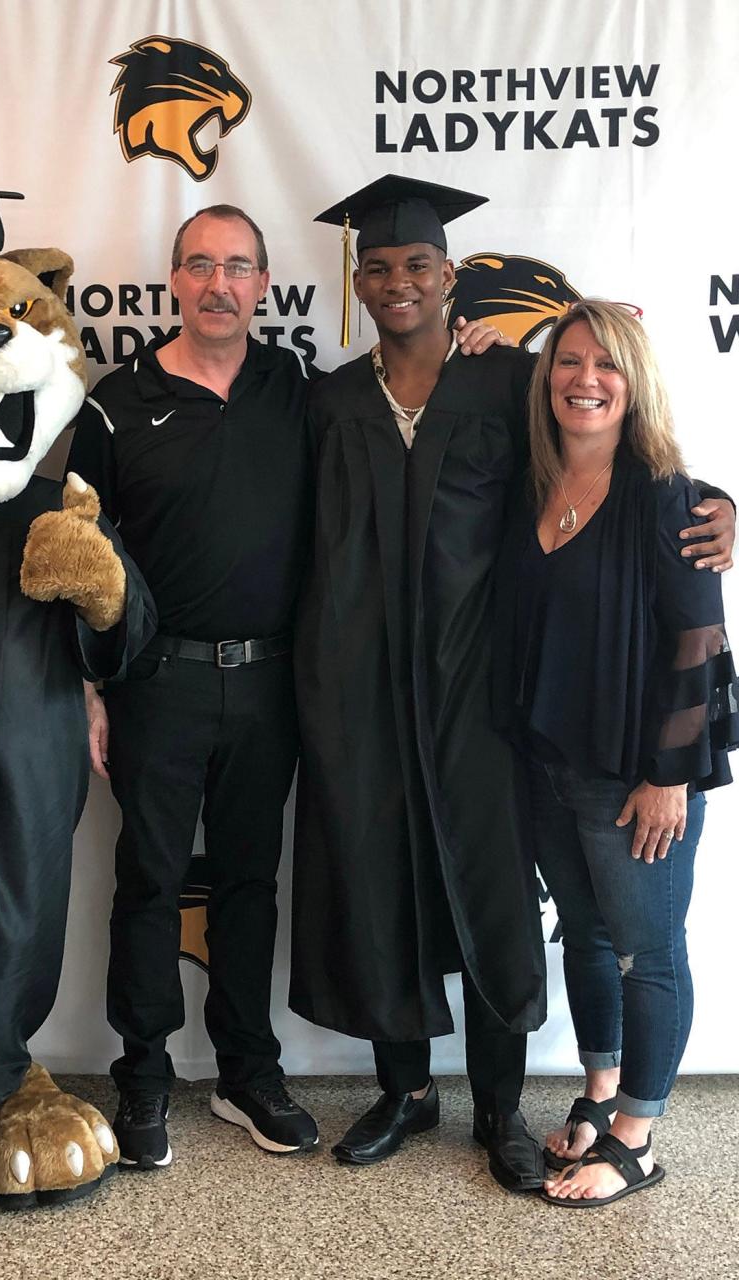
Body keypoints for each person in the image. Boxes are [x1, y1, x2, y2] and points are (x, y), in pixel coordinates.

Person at [289, 176, 736, 1191]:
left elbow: (618, 444)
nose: (400, 280)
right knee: (376, 879)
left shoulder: (509, 384)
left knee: (490, 893)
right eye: (382, 265)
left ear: (452, 274)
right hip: (359, 694)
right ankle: (405, 1089)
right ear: (359, 280)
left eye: (419, 263)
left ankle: (498, 1106)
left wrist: (718, 503)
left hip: (482, 697)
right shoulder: (329, 401)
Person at [65, 205, 320, 1169]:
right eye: (201, 266)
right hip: (153, 684)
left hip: (268, 687)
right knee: (150, 882)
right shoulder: (113, 402)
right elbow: (76, 552)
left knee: (251, 884)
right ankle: (142, 1074)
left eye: (239, 267)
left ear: (263, 284)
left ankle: (248, 1073)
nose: (220, 284)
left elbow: (409, 413)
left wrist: (492, 348)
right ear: (173, 281)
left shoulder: (297, 388)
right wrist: (89, 687)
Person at [491, 300, 738, 1206]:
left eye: (606, 365)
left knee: (648, 952)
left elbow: (696, 643)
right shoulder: (533, 485)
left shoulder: (674, 498)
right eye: (567, 361)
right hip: (550, 764)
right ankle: (599, 1092)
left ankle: (637, 1133)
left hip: (636, 774)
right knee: (586, 938)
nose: (584, 379)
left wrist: (668, 777)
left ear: (636, 384)